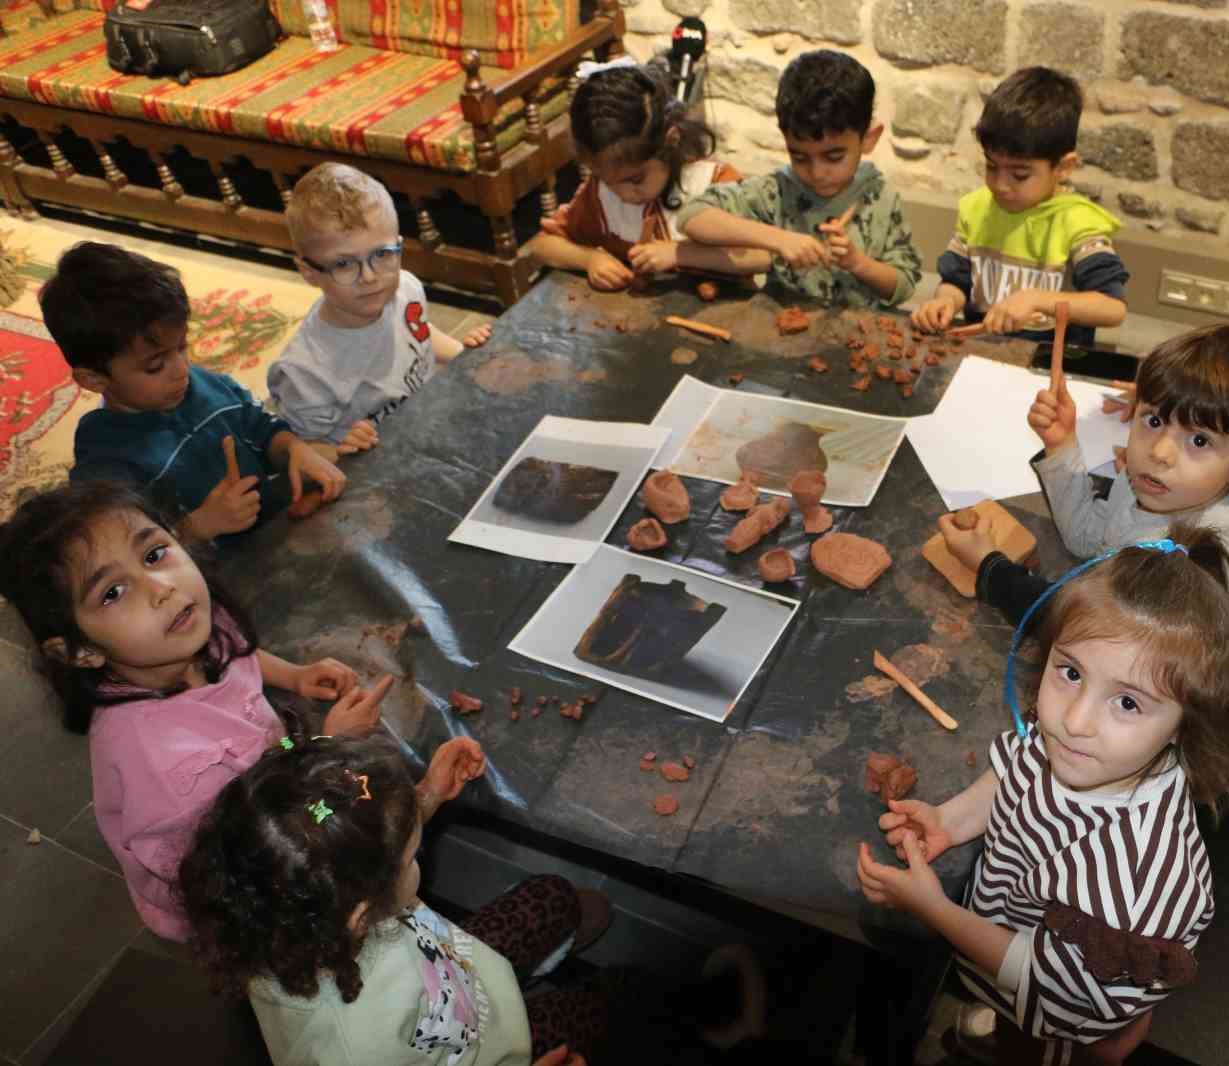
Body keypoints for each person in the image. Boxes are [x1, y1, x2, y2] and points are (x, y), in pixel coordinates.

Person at [858, 530, 1229, 1066]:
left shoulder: (1131, 883)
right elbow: (1013, 772)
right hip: (1010, 928)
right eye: (1070, 672)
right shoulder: (1085, 744)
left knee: (1038, 1044)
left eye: (1128, 703)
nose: (1075, 720)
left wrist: (933, 909)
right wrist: (951, 820)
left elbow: (1052, 987)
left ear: (1185, 726)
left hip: (1057, 1003)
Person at [180, 734, 766, 1065]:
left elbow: (356, 851)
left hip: (453, 974)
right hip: (491, 1048)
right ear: (361, 911)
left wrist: (424, 798)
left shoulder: (279, 906)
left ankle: (558, 942)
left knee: (551, 897)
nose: (419, 855)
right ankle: (683, 1014)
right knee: (610, 1008)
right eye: (411, 854)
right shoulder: (357, 1050)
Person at [0, 482, 393, 940]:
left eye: (153, 555)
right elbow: (259, 843)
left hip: (267, 786)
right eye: (112, 592)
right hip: (241, 882)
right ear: (81, 651)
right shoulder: (175, 772)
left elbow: (234, 654)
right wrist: (332, 747)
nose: (161, 588)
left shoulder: (183, 631)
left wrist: (292, 675)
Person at [944, 323, 1229, 606]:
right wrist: (1062, 445)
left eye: (1199, 441)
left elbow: (1080, 628)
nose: (1160, 452)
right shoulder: (1150, 485)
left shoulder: (1189, 567)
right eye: (1153, 421)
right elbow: (1087, 539)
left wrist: (991, 570)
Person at [41, 243, 345, 543]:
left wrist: (293, 449)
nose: (182, 369)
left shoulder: (205, 385)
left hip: (276, 536)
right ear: (93, 379)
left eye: (182, 347)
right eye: (155, 365)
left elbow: (261, 428)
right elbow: (119, 550)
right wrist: (198, 527)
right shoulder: (105, 459)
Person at [268, 163, 492, 458]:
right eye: (344, 264)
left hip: (427, 425)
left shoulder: (405, 288)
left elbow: (418, 331)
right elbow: (303, 454)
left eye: (382, 254)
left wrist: (464, 355)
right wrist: (339, 450)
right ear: (308, 271)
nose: (370, 277)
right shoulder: (304, 373)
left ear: (399, 247)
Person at [678, 49, 922, 308]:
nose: (816, 173)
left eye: (834, 157)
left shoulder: (880, 197)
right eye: (800, 157)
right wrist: (778, 239)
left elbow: (904, 285)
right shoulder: (775, 192)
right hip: (781, 332)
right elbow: (692, 216)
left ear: (868, 139)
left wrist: (858, 263)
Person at [910, 67, 1129, 350]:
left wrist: (1039, 300)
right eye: (991, 166)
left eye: (1020, 175)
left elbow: (1112, 308)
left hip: (1050, 361)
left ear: (1063, 167)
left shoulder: (1079, 223)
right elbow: (956, 282)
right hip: (981, 350)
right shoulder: (977, 210)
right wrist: (945, 301)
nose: (1000, 185)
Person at [531, 58, 769, 291]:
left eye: (635, 180)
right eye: (609, 182)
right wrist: (589, 259)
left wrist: (679, 254)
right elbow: (542, 246)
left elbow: (764, 256)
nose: (623, 195)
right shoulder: (601, 193)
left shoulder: (714, 184)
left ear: (671, 141)